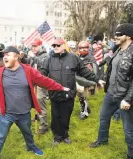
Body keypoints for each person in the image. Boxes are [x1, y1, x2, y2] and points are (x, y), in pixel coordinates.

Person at [0, 46, 70, 159]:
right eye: (4, 55)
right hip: (7, 114)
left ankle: (31, 147)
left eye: (8, 55)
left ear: (16, 56)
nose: (4, 57)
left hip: (24, 113)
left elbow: (44, 80)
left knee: (28, 134)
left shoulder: (28, 71)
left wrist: (60, 87)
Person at [39, 38, 105, 146]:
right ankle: (57, 137)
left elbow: (84, 71)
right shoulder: (48, 59)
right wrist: (34, 78)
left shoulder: (73, 58)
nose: (55, 47)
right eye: (54, 45)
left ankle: (65, 135)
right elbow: (41, 73)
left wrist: (97, 79)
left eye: (58, 45)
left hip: (68, 94)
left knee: (66, 116)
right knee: (56, 117)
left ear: (64, 46)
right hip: (54, 94)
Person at [89, 23, 133, 159]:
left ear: (129, 36)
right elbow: (112, 68)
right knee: (103, 118)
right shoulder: (117, 49)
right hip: (111, 93)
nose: (115, 37)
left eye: (119, 34)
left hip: (125, 97)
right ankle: (102, 140)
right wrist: (103, 79)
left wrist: (128, 99)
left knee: (128, 130)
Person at [26, 39, 49, 134]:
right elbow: (29, 66)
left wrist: (33, 57)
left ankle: (44, 125)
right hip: (33, 82)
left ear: (40, 45)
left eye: (35, 46)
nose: (33, 48)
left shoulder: (46, 55)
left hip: (41, 82)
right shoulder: (33, 56)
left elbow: (44, 66)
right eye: (32, 46)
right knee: (34, 101)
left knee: (40, 102)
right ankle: (38, 117)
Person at [76, 41, 99, 120]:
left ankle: (84, 112)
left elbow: (92, 71)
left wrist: (91, 83)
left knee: (83, 97)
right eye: (81, 48)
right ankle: (87, 109)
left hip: (86, 80)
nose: (83, 49)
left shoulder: (90, 58)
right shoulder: (78, 57)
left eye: (85, 48)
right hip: (79, 80)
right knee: (80, 96)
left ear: (88, 48)